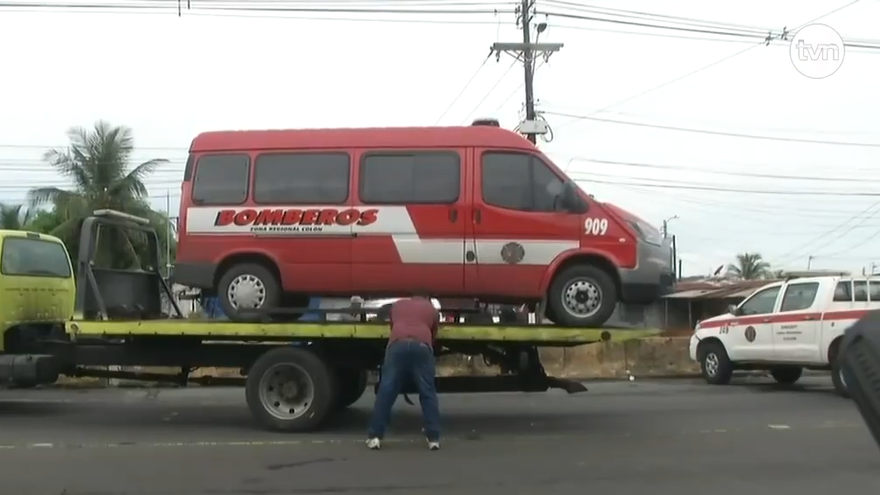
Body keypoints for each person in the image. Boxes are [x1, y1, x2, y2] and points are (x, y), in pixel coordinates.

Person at [366, 293, 441, 451]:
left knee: (387, 390)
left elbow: (393, 326)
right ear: (427, 298)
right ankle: (433, 438)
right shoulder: (432, 309)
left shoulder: (398, 305)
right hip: (421, 345)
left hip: (398, 344)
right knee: (427, 391)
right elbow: (434, 333)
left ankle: (375, 437)